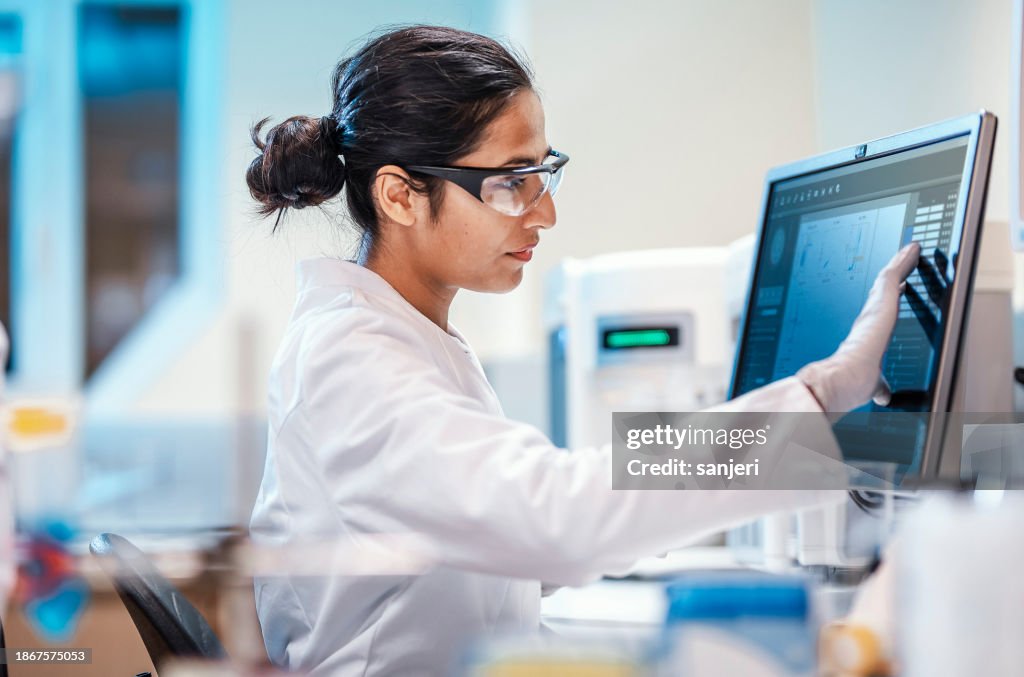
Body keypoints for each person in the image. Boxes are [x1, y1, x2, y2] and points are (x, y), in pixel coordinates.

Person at [247, 25, 920, 676]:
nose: (544, 213)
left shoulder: (412, 338)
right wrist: (821, 395)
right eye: (511, 180)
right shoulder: (351, 360)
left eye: (543, 173)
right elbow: (560, 517)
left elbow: (519, 542)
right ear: (399, 194)